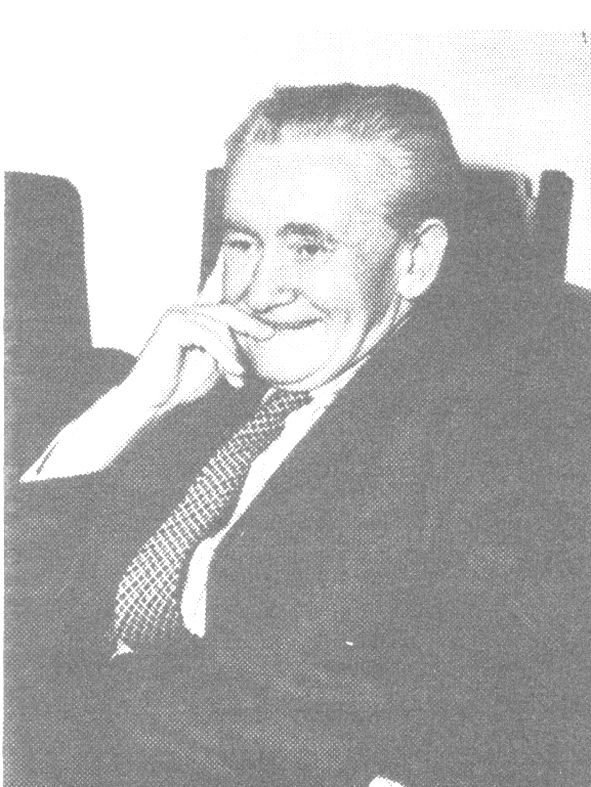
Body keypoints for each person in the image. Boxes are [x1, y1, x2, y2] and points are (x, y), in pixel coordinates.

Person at [7, 84, 589, 786]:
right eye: (242, 242)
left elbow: (487, 721)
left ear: (414, 260)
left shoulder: (496, 425)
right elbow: (22, 619)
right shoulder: (200, 385)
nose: (260, 288)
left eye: (308, 247)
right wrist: (130, 406)